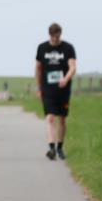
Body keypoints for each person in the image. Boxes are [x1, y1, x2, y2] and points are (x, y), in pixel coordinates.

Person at [35, 22, 76, 160]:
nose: (54, 40)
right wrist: (38, 87)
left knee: (62, 119)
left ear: (60, 35)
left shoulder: (68, 48)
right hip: (47, 89)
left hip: (63, 90)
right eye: (52, 37)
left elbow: (72, 67)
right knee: (50, 118)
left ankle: (60, 147)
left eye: (57, 37)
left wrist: (66, 78)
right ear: (49, 35)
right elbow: (38, 69)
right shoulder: (42, 48)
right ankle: (51, 148)